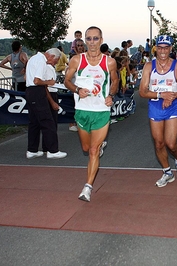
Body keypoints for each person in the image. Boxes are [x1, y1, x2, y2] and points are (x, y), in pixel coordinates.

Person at [64, 26, 119, 202]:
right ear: (84, 41)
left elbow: (115, 80)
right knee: (86, 148)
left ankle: (87, 187)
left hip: (102, 110)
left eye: (96, 39)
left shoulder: (109, 62)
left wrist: (111, 95)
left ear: (101, 40)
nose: (92, 42)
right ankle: (98, 146)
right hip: (82, 110)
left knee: (94, 150)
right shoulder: (76, 60)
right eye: (89, 39)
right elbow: (66, 80)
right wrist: (77, 89)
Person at [139, 35, 177, 188]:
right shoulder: (149, 66)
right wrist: (160, 95)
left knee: (171, 143)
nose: (163, 50)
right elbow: (142, 92)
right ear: (156, 48)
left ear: (170, 49)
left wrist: (172, 95)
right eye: (160, 47)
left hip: (172, 105)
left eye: (166, 47)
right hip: (155, 105)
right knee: (158, 143)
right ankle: (167, 172)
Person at [25, 48, 67, 159]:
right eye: (56, 60)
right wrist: (49, 82)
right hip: (37, 91)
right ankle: (52, 150)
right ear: (52, 56)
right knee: (47, 121)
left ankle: (32, 150)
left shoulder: (34, 58)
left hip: (30, 91)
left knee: (34, 122)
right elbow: (37, 81)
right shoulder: (41, 61)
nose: (55, 63)